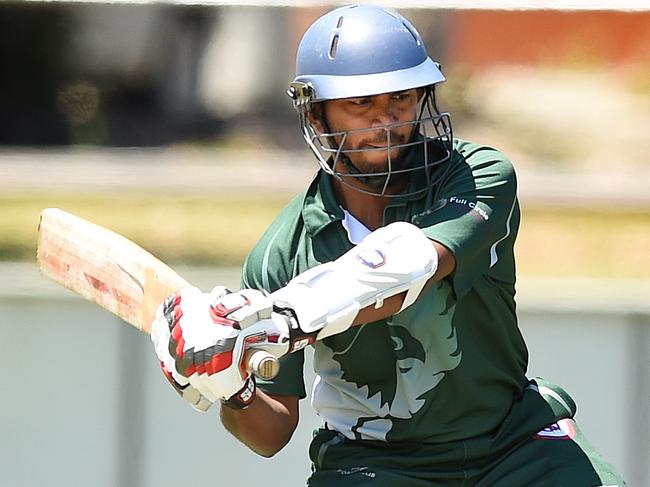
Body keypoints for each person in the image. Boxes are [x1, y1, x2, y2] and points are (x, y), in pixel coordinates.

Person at [151, 5, 626, 486]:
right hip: (374, 462)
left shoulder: (478, 174)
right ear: (316, 113)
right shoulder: (282, 250)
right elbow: (271, 434)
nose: (386, 120)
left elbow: (412, 265)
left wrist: (283, 320)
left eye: (401, 97)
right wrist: (233, 385)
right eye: (361, 103)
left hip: (512, 440)